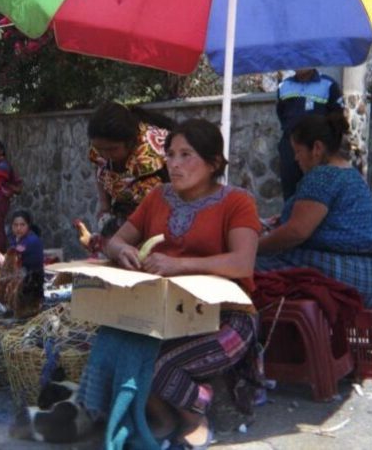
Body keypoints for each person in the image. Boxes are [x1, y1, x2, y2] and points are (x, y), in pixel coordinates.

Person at [77, 119, 261, 449]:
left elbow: (242, 262)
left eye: (186, 155)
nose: (174, 164)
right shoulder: (157, 197)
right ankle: (161, 416)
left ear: (213, 163)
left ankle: (197, 415)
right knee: (114, 348)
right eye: (171, 154)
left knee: (159, 367)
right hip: (163, 313)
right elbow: (113, 242)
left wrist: (179, 265)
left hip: (228, 317)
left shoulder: (238, 202)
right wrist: (124, 251)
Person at [256, 112, 372, 324]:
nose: (296, 159)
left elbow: (296, 232)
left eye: (298, 151)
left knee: (249, 266)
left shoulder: (322, 176)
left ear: (316, 148)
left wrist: (254, 246)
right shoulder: (350, 174)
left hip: (346, 275)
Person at [87, 102, 176, 237]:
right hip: (126, 220)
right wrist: (105, 207)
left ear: (130, 142)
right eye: (100, 149)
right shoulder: (99, 149)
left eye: (112, 149)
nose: (105, 155)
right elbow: (100, 169)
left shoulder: (156, 147)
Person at [276, 68, 343, 200]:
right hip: (290, 146)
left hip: (317, 148)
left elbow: (337, 118)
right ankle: (293, 218)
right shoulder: (284, 86)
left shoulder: (328, 85)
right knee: (290, 191)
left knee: (320, 191)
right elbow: (282, 114)